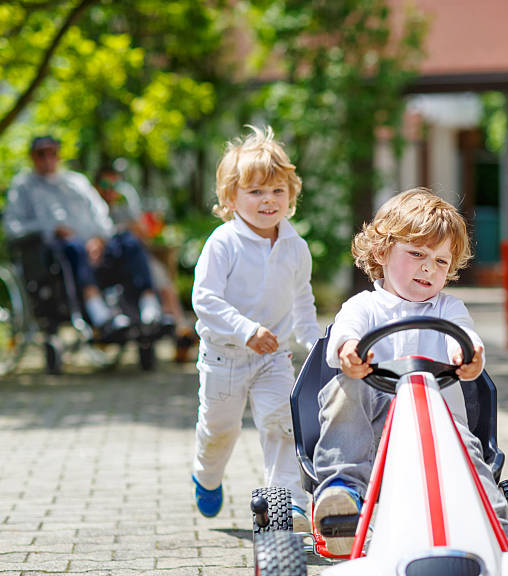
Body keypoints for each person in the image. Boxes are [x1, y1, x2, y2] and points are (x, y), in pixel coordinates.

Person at [312, 187, 508, 554]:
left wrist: (467, 355)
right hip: (371, 432)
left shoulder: (448, 309)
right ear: (381, 252)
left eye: (441, 262)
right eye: (417, 254)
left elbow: (466, 338)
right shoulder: (364, 307)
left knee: (473, 461)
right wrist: (350, 352)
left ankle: (499, 539)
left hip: (441, 429)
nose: (428, 267)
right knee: (346, 386)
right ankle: (342, 498)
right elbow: (345, 334)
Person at [191, 125, 321, 532]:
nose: (268, 200)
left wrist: (318, 347)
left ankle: (289, 502)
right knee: (219, 429)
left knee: (282, 423)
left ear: (291, 196)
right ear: (231, 198)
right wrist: (245, 329)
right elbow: (205, 300)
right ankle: (206, 475)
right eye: (256, 192)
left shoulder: (296, 247)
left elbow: (302, 301)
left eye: (277, 191)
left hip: (274, 357)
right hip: (224, 357)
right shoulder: (223, 243)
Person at [3, 135, 162, 339]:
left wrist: (100, 239)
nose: (47, 158)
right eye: (41, 154)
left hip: (96, 246)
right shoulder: (23, 186)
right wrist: (51, 229)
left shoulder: (76, 181)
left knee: (130, 242)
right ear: (32, 157)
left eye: (52, 152)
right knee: (72, 246)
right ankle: (98, 311)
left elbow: (100, 214)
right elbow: (12, 227)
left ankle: (149, 307)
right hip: (57, 253)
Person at [95, 166, 196, 362]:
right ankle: (179, 328)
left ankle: (179, 328)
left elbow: (145, 236)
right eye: (105, 184)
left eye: (115, 185)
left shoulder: (124, 206)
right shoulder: (94, 210)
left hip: (138, 258)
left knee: (163, 280)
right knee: (156, 276)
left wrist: (136, 226)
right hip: (116, 263)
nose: (110, 189)